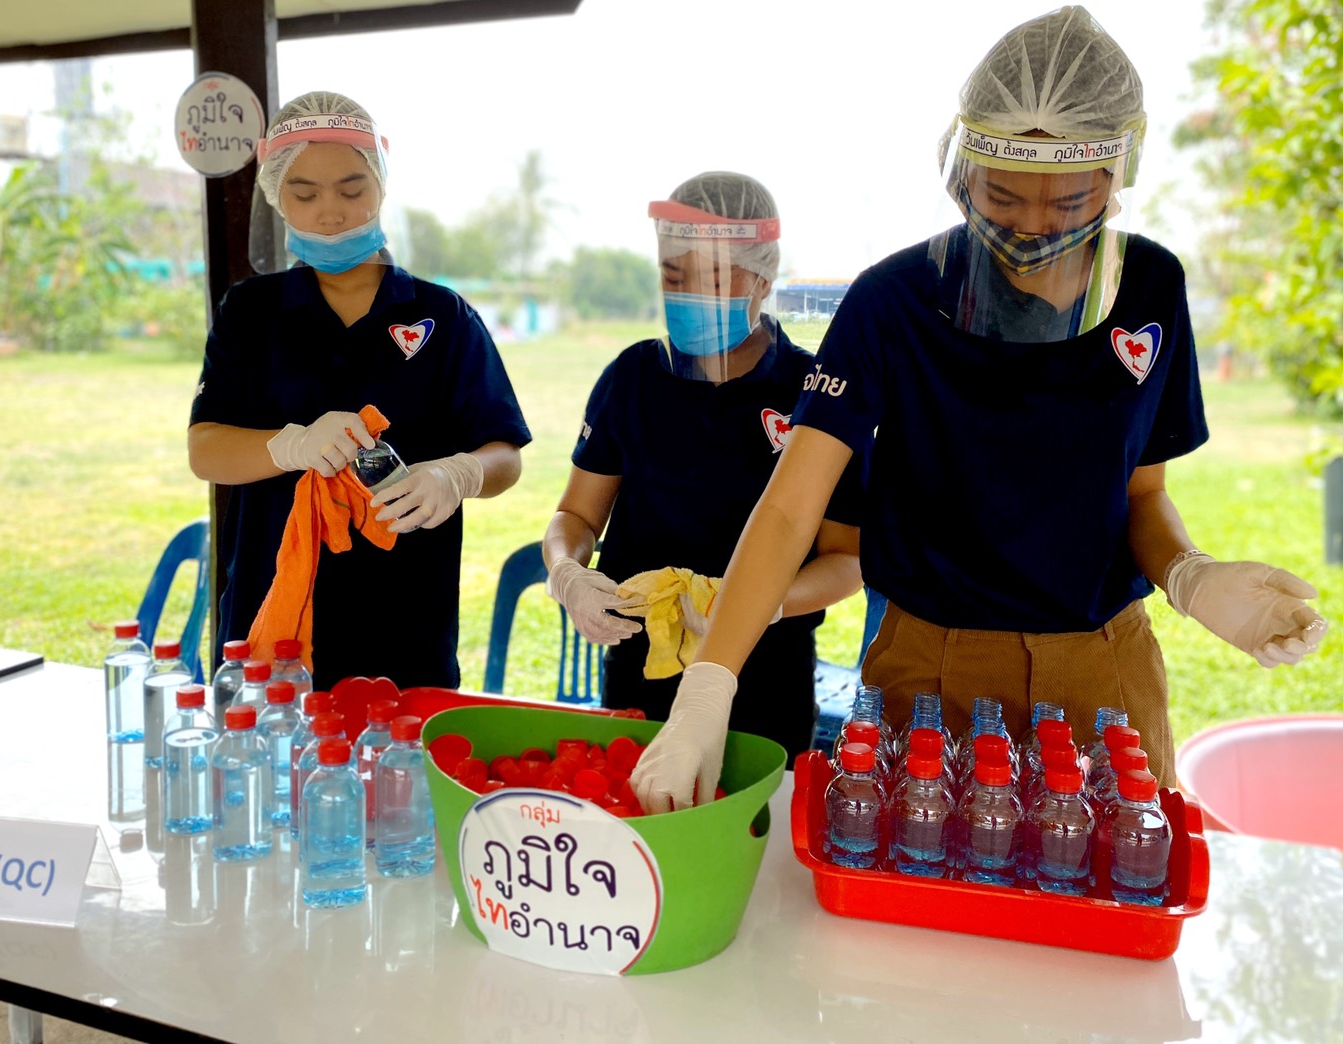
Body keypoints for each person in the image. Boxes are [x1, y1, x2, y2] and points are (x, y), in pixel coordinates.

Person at [630, 7, 1328, 813]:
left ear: (1119, 172)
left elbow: (1141, 493)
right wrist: (709, 685)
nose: (1031, 226)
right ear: (960, 168)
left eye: (1069, 202)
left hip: (1101, 669)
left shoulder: (1149, 289)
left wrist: (1190, 575)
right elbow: (791, 507)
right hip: (932, 672)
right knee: (917, 874)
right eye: (1002, 195)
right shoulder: (893, 301)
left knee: (1107, 870)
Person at [188, 90, 531, 690]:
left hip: (406, 621)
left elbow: (504, 453)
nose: (331, 213)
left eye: (352, 190)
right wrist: (289, 446)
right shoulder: (251, 312)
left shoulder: (440, 315)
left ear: (381, 186)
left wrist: (456, 475)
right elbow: (206, 450)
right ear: (276, 195)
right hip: (275, 618)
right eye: (304, 194)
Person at [543, 172, 864, 765]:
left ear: (763, 277)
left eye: (713, 278)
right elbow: (576, 515)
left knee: (749, 817)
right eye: (674, 277)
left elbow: (847, 560)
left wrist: (759, 603)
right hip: (639, 669)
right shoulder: (632, 378)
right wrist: (567, 571)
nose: (689, 293)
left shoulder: (813, 391)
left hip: (765, 677)